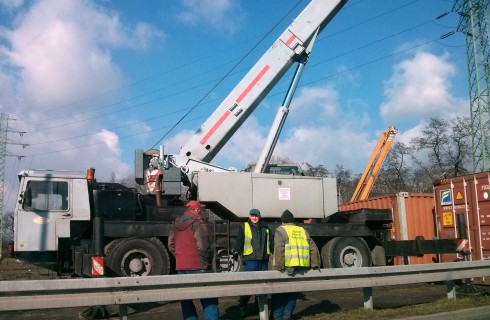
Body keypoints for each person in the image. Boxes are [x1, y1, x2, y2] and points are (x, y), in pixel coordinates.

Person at [168, 200, 219, 320]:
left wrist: (181, 257)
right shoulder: (198, 223)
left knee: (186, 299)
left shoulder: (175, 223)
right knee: (208, 298)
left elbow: (171, 245)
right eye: (200, 209)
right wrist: (205, 264)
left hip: (181, 266)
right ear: (196, 209)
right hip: (197, 266)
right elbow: (203, 247)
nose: (201, 211)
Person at [271, 209, 320, 320]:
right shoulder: (302, 230)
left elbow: (279, 249)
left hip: (287, 267)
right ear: (293, 221)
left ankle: (278, 317)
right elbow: (313, 248)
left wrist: (279, 266)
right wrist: (315, 264)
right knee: (293, 293)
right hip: (301, 267)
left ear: (283, 221)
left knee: (280, 293)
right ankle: (287, 316)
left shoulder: (281, 230)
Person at [234, 208, 274, 317]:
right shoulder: (244, 226)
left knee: (262, 287)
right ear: (249, 216)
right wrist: (236, 251)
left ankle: (259, 308)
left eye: (256, 216)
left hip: (263, 262)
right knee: (248, 286)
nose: (254, 217)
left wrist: (274, 251)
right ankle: (243, 306)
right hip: (250, 260)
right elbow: (240, 241)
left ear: (259, 217)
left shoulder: (266, 228)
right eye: (252, 215)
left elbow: (271, 242)